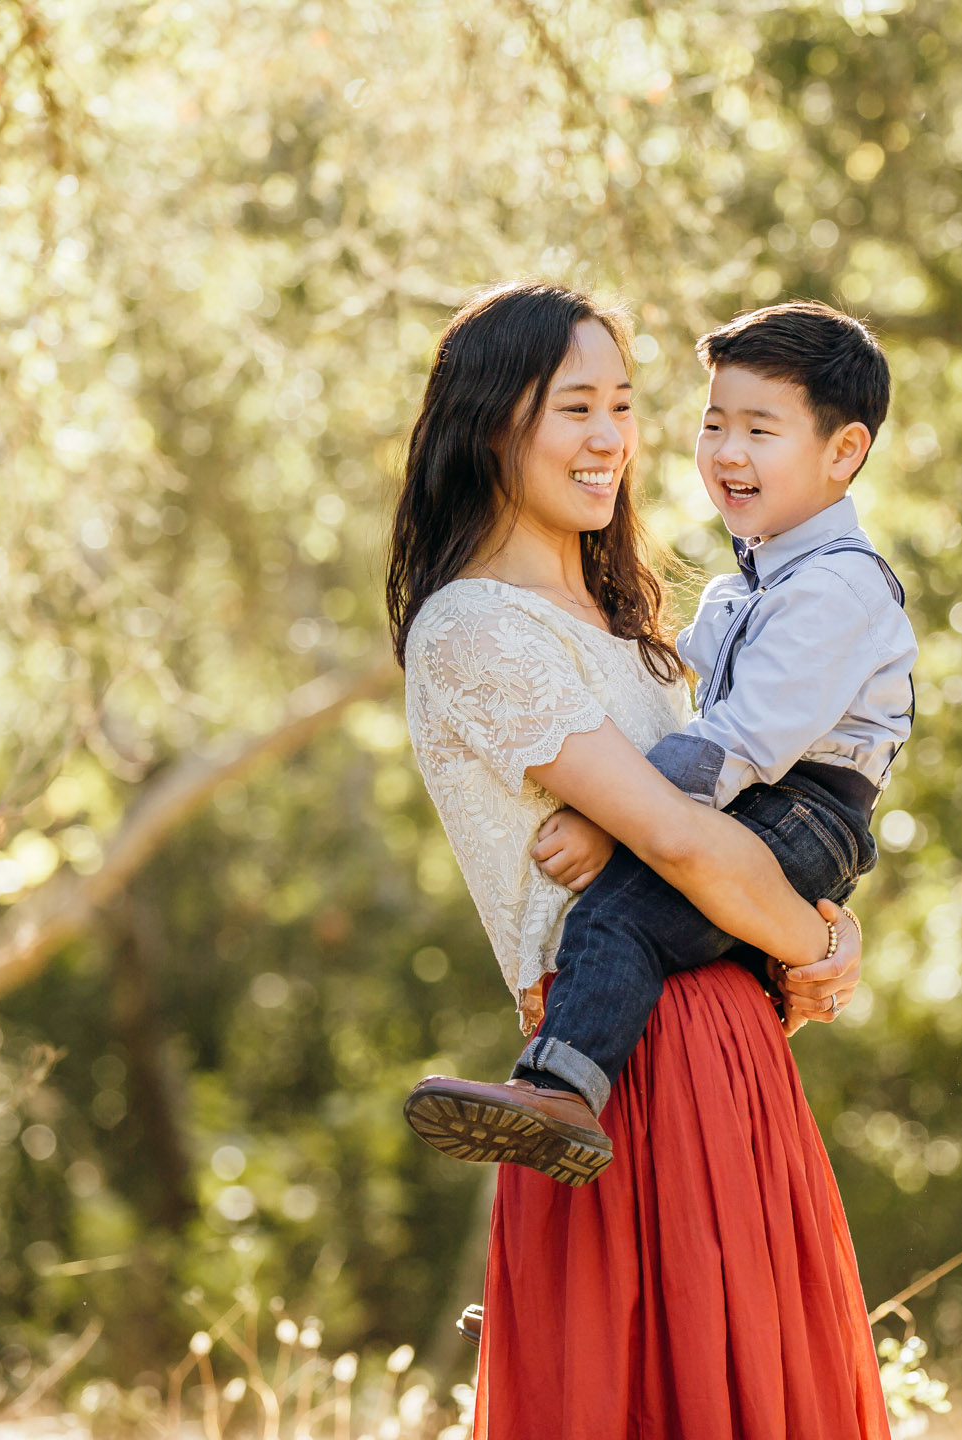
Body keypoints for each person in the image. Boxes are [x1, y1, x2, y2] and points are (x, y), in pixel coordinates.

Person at [388, 281, 890, 1435]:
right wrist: (818, 940)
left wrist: (827, 935)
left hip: (728, 1041)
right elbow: (676, 836)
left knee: (753, 1388)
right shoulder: (474, 628)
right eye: (575, 407)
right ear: (488, 424)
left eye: (624, 404)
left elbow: (740, 823)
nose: (612, 437)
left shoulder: (637, 626)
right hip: (623, 1060)